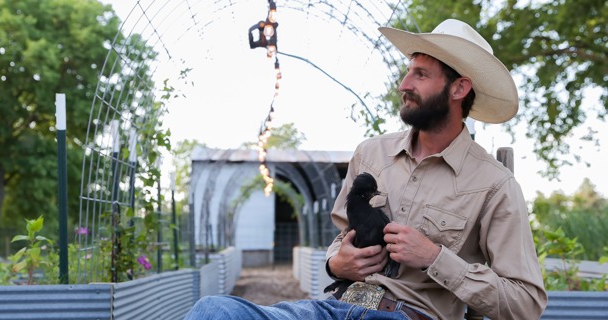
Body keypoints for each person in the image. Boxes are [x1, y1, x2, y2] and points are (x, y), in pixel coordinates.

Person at [183, 18, 548, 320]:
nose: (404, 85)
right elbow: (340, 243)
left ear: (459, 88)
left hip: (409, 315)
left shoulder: (494, 184)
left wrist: (436, 259)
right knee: (212, 310)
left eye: (420, 74)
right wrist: (335, 264)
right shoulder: (371, 153)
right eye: (407, 72)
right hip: (337, 306)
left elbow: (526, 303)